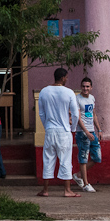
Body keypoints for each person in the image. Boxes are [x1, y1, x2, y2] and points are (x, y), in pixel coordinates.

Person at [37, 68, 81, 197]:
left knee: (48, 159)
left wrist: (47, 127)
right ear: (63, 78)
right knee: (65, 160)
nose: (67, 79)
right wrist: (72, 129)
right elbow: (75, 114)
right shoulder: (69, 92)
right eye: (66, 77)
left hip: (50, 130)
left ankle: (45, 190)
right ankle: (67, 190)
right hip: (64, 131)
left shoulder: (44, 91)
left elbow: (41, 113)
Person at [73, 77, 102, 193]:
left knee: (97, 157)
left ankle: (78, 175)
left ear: (91, 87)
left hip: (92, 132)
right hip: (82, 133)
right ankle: (86, 184)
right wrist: (86, 131)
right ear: (81, 87)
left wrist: (99, 130)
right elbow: (78, 117)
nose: (85, 88)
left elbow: (94, 114)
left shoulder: (92, 98)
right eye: (83, 86)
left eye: (87, 86)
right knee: (83, 158)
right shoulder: (77, 99)